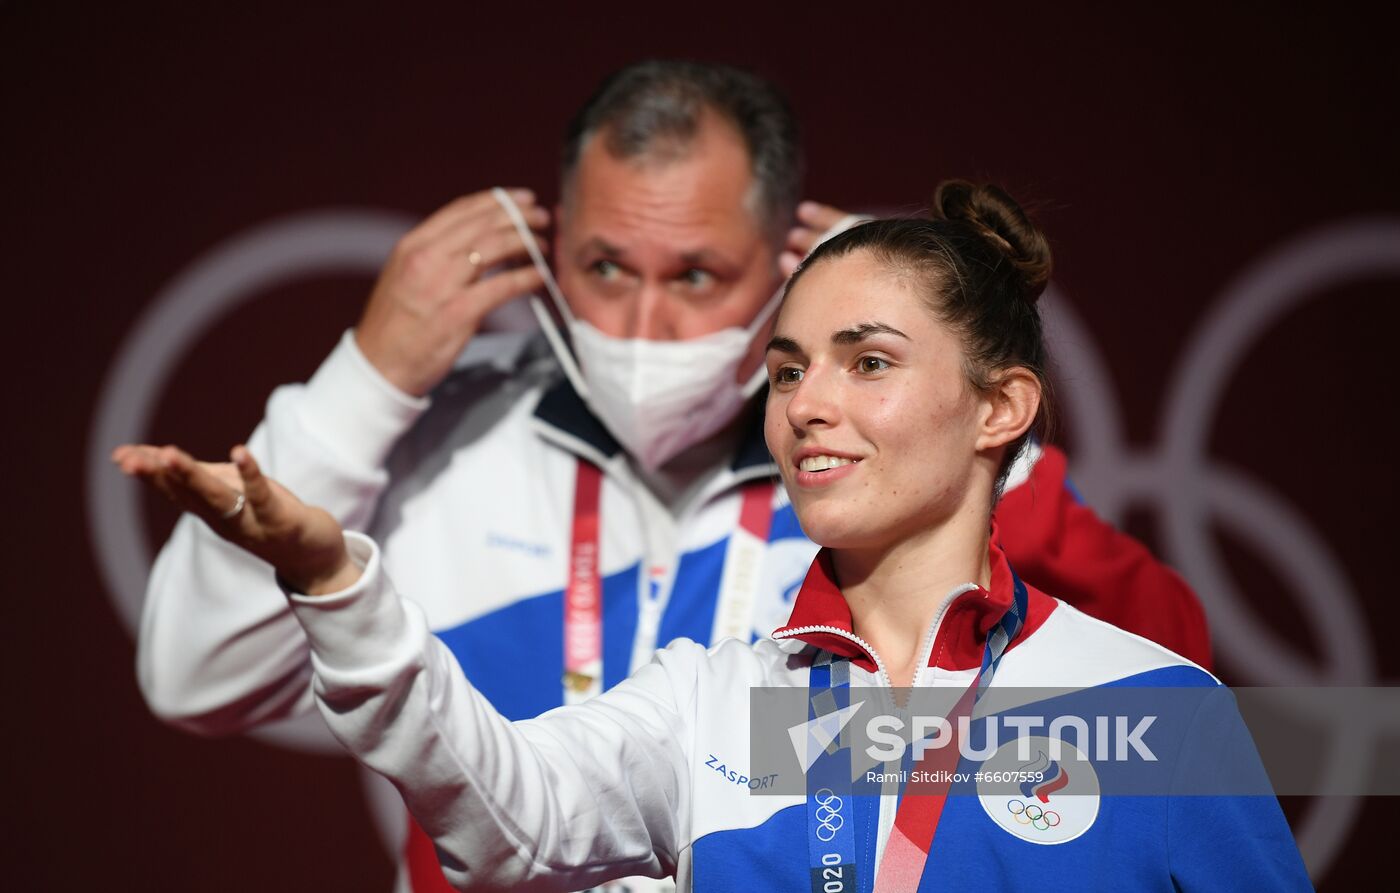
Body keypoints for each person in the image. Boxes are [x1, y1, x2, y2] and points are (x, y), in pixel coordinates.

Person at [124, 61, 1209, 888]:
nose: (644, 325)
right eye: (604, 268)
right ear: (552, 255)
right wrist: (365, 384)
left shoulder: (859, 480)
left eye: (696, 274)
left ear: (786, 256)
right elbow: (193, 677)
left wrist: (943, 406)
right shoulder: (435, 443)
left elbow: (1161, 708)